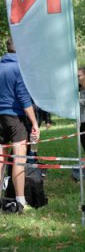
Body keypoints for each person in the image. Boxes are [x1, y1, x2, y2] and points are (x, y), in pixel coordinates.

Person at [0, 36, 40, 213]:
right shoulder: (20, 69)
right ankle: (20, 200)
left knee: (1, 159)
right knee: (19, 159)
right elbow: (24, 100)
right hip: (15, 117)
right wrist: (34, 122)